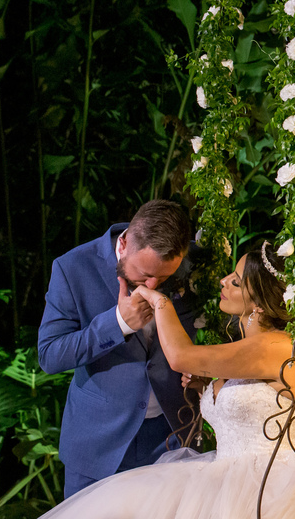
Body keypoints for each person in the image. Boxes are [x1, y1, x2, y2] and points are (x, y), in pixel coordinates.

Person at [37, 241, 295, 519]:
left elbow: (180, 356)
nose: (223, 282)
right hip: (226, 476)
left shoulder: (275, 347)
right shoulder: (246, 346)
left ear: (259, 302)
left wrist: (159, 302)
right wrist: (204, 388)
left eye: (236, 282)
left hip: (265, 485)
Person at [38, 199, 197, 497]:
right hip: (97, 445)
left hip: (171, 438)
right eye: (144, 273)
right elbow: (50, 354)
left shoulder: (194, 266)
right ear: (123, 244)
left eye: (162, 277)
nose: (151, 284)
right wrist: (118, 323)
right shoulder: (72, 268)